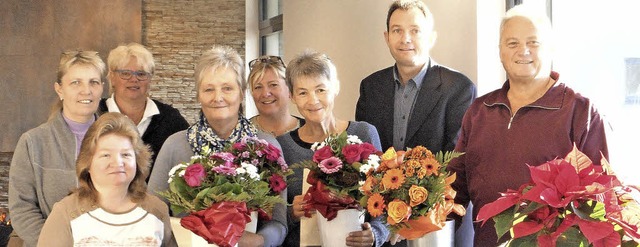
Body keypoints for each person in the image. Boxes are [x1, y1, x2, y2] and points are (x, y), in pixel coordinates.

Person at [447, 4, 609, 246]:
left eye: (533, 43)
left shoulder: (581, 112)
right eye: (512, 43)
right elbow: (454, 189)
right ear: (500, 51)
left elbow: (599, 199)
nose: (523, 51)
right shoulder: (479, 111)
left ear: (550, 48)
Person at [148, 45, 287, 247]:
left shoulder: (267, 147)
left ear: (241, 93)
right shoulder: (174, 145)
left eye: (227, 88)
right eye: (209, 89)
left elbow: (279, 222)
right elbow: (153, 216)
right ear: (198, 95)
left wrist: (259, 241)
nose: (218, 97)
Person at [276, 50, 389, 247]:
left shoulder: (364, 133)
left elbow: (386, 199)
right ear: (292, 96)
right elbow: (270, 216)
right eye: (303, 92)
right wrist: (290, 212)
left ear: (335, 87)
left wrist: (376, 234)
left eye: (320, 90)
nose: (313, 101)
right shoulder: (283, 146)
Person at [8, 50, 106, 246]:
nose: (86, 90)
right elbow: (21, 208)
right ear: (59, 89)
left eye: (93, 82)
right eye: (75, 82)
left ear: (102, 88)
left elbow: (134, 196)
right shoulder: (32, 142)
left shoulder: (120, 140)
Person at [37, 112, 177, 246]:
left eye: (126, 155)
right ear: (88, 163)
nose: (117, 163)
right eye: (106, 155)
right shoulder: (66, 212)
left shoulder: (157, 209)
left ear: (138, 161)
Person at [356, 0, 476, 153]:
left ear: (431, 38)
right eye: (397, 30)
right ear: (387, 38)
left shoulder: (459, 88)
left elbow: (457, 156)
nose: (405, 39)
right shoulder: (371, 87)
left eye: (415, 30)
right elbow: (363, 151)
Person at [99, 43, 189, 172]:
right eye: (125, 73)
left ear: (150, 79)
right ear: (112, 77)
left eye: (141, 74)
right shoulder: (95, 114)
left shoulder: (171, 120)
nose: (134, 79)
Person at [248, 55, 305, 136]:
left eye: (273, 85)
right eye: (258, 87)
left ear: (290, 89)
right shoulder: (241, 133)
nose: (265, 94)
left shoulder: (312, 131)